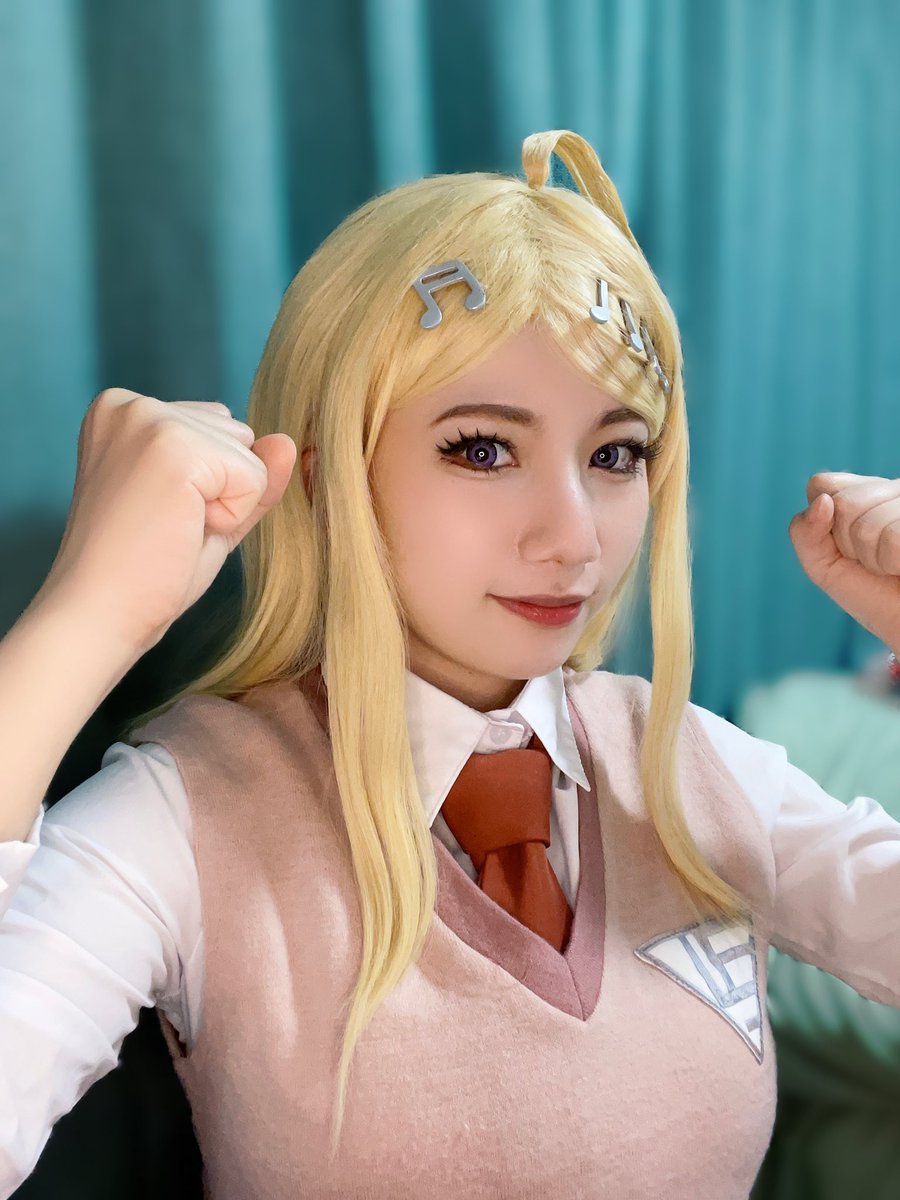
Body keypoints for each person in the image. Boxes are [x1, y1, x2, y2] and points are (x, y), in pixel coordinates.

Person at [2, 127, 900, 1199]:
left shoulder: (695, 766)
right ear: (328, 476)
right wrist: (82, 624)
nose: (574, 539)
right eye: (483, 448)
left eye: (616, 454)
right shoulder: (186, 815)